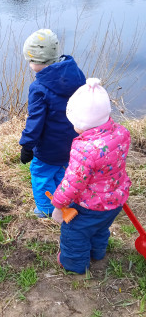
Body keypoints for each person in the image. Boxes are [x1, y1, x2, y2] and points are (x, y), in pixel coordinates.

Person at [51, 78, 131, 274]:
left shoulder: (85, 149)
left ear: (81, 123)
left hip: (91, 205)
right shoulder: (121, 133)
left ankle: (74, 264)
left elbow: (73, 183)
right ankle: (97, 253)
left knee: (74, 233)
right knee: (100, 228)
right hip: (115, 200)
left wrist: (58, 204)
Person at [19, 29, 86, 217]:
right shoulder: (76, 74)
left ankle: (46, 209)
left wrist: (27, 145)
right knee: (61, 171)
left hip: (49, 145)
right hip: (73, 141)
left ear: (39, 61)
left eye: (30, 60)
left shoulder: (39, 87)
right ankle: (65, 200)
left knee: (41, 174)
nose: (29, 64)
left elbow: (35, 121)